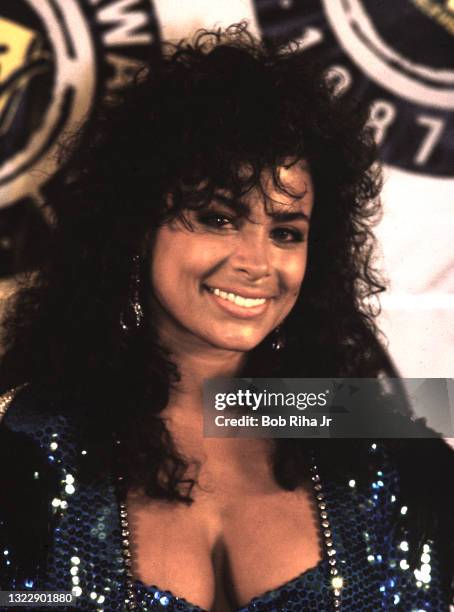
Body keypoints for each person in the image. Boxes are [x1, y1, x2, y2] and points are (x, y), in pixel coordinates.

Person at [0, 24, 452, 611]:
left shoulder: (389, 449)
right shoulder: (23, 452)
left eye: (286, 232)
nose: (257, 263)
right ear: (136, 224)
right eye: (218, 218)